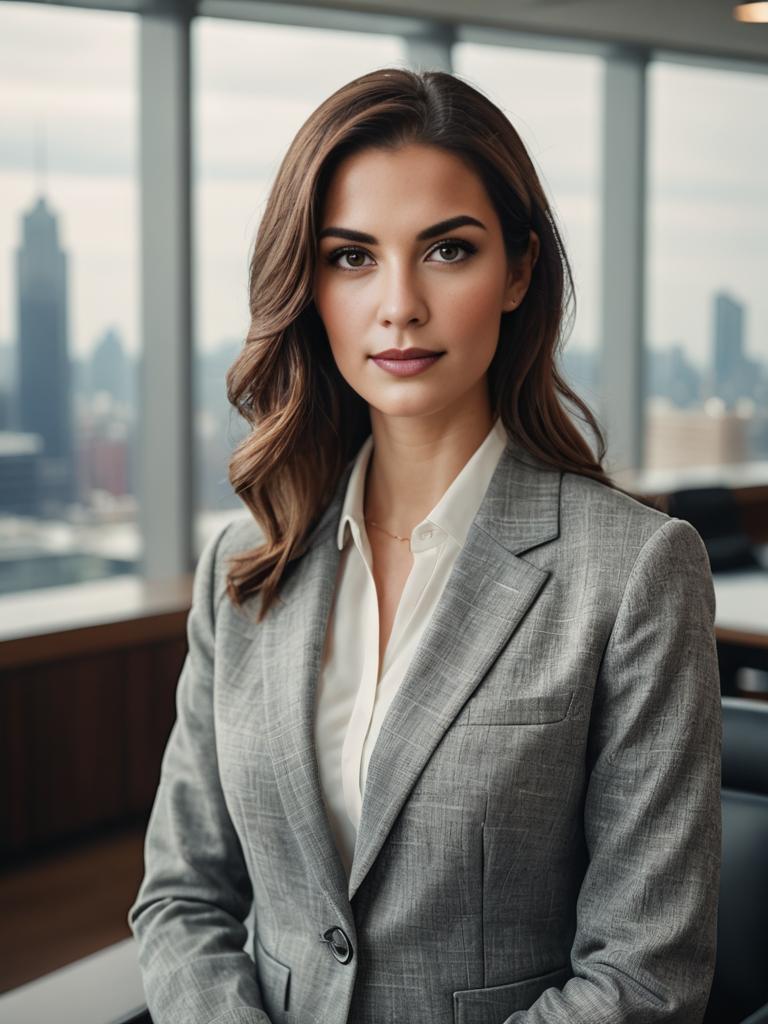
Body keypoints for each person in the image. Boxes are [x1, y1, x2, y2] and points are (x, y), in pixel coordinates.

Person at [128, 68, 722, 1024]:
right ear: (308, 287)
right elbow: (182, 898)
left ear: (519, 272)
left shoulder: (633, 572)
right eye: (352, 257)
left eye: (447, 250)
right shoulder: (247, 564)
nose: (399, 304)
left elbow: (643, 979)